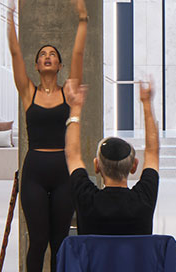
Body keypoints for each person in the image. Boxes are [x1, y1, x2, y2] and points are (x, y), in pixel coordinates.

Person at [7, 0, 89, 272]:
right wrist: (11, 16)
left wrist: (82, 17)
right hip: (36, 170)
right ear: (37, 65)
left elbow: (79, 56)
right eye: (42, 54)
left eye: (52, 54)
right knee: (37, 238)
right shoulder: (28, 91)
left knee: (59, 239)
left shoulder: (69, 91)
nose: (47, 56)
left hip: (64, 169)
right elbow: (13, 54)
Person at [64, 77, 160, 236]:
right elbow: (153, 152)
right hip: (134, 262)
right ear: (134, 166)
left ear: (96, 166)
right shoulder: (144, 199)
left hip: (95, 263)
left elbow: (72, 154)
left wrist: (75, 108)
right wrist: (147, 104)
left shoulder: (86, 199)